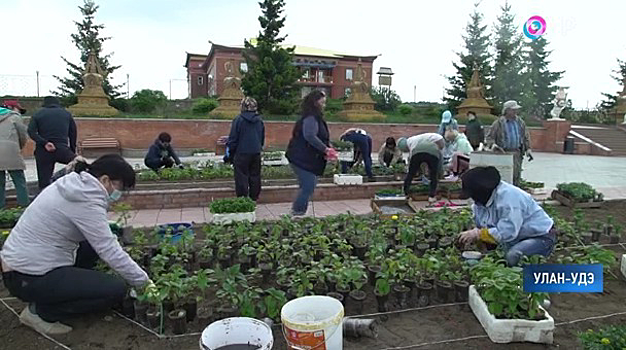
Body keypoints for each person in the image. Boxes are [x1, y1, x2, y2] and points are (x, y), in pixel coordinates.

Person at [0, 154, 152, 335]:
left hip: (23, 265)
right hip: (28, 276)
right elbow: (108, 249)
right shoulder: (86, 198)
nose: (119, 196)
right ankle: (39, 313)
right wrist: (143, 282)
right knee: (115, 289)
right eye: (120, 188)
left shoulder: (76, 184)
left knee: (91, 246)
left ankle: (69, 288)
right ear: (104, 179)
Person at [457, 166, 556, 266]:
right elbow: (483, 227)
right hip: (515, 238)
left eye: (473, 194)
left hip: (539, 237)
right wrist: (477, 237)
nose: (474, 198)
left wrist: (478, 234)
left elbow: (508, 232)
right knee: (494, 257)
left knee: (513, 255)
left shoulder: (510, 198)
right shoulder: (480, 203)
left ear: (481, 191)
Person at [286, 90, 338, 216]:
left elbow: (321, 136)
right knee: (308, 186)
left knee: (308, 185)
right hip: (301, 158)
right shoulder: (310, 118)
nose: (324, 105)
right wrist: (325, 149)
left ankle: (297, 212)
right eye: (322, 102)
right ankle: (297, 213)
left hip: (306, 157)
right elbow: (310, 136)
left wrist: (328, 147)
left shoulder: (315, 118)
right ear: (315, 103)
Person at [28, 96, 77, 191]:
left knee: (44, 181)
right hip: (62, 149)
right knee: (79, 165)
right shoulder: (66, 114)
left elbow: (31, 132)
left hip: (43, 150)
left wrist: (44, 143)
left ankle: (44, 199)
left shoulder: (38, 114)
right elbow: (73, 133)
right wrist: (72, 150)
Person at [486, 100, 533, 186]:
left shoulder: (520, 122)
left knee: (516, 175)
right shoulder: (498, 123)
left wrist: (528, 149)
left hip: (517, 153)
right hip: (503, 153)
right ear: (507, 110)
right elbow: (489, 137)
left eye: (516, 109)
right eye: (513, 109)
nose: (515, 111)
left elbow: (526, 137)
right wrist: (493, 145)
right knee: (504, 176)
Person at [227, 97, 265, 201]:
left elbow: (233, 138)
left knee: (241, 177)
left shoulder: (238, 120)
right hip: (256, 152)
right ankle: (254, 198)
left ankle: (243, 199)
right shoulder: (259, 121)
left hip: (241, 153)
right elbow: (261, 137)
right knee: (255, 176)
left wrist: (230, 153)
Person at [397, 133, 445, 204]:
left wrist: (413, 171)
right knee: (433, 175)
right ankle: (431, 196)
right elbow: (439, 164)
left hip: (417, 151)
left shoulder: (412, 143)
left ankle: (405, 193)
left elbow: (411, 161)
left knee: (410, 174)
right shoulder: (420, 140)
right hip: (433, 151)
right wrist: (441, 173)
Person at [0, 100, 29, 209]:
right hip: (11, 150)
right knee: (19, 181)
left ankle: (1, 209)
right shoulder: (15, 117)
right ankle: (24, 206)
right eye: (18, 109)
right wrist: (19, 147)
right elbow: (22, 135)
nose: (20, 112)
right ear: (12, 108)